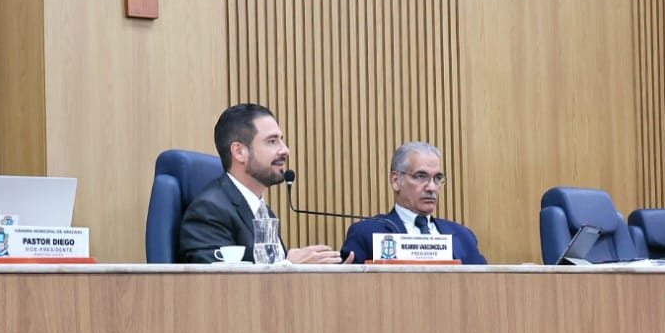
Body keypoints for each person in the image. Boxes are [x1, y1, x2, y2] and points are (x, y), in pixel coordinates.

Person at [176, 103, 344, 265]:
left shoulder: (263, 212)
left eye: (281, 140)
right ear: (239, 152)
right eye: (272, 141)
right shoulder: (208, 211)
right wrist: (288, 264)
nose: (285, 150)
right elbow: (217, 280)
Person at [340, 142, 487, 264]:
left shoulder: (464, 236)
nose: (432, 187)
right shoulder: (367, 233)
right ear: (396, 181)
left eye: (437, 178)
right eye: (421, 176)